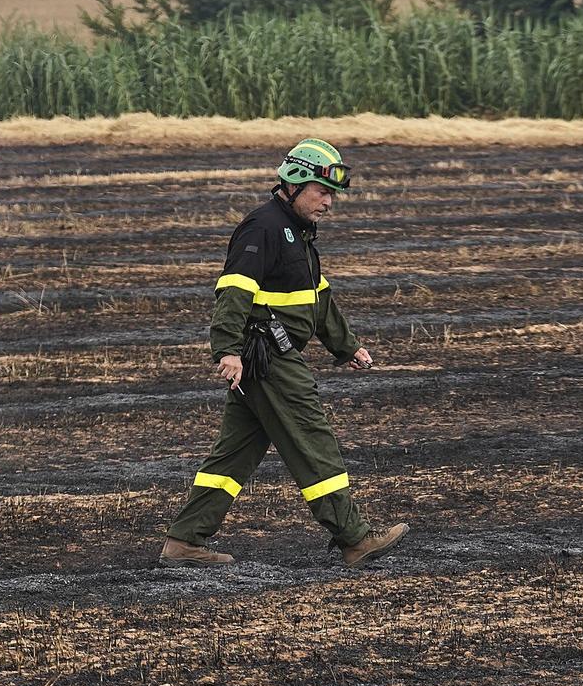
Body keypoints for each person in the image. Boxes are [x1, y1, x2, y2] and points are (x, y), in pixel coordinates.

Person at [160, 138, 410, 568]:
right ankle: (354, 537)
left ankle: (184, 541)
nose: (329, 202)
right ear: (294, 183)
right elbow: (233, 291)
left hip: (266, 357)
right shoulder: (263, 228)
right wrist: (228, 350)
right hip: (267, 357)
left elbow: (317, 297)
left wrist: (346, 346)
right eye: (323, 191)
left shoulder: (299, 234)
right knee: (313, 441)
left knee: (235, 453)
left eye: (332, 194)